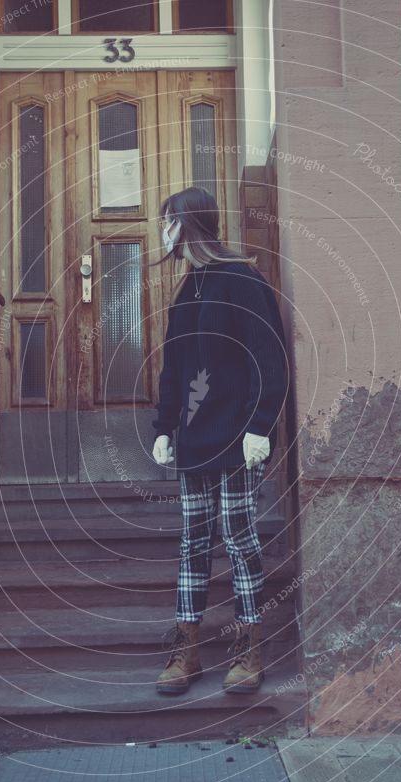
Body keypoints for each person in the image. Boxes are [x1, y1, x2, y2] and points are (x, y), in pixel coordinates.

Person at [149, 187, 287, 696]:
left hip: (237, 437)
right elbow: (174, 368)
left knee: (239, 538)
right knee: (193, 544)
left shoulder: (241, 278)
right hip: (195, 442)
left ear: (187, 225)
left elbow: (269, 357)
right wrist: (164, 427)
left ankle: (250, 646)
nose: (163, 231)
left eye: (168, 221)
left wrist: (260, 425)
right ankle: (186, 650)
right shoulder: (189, 289)